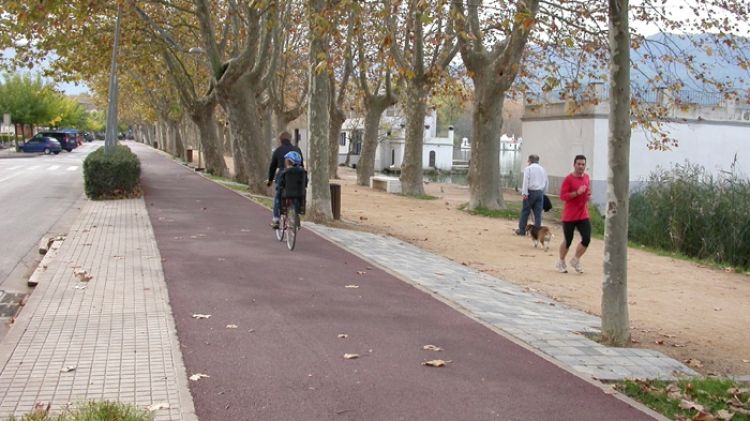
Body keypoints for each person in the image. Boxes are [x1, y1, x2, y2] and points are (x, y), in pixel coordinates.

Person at [557, 154, 591, 273]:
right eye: (579, 164)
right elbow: (563, 196)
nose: (581, 166)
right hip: (570, 215)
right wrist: (576, 193)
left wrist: (588, 196)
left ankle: (576, 259)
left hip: (583, 214)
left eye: (583, 164)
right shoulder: (568, 179)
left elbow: (587, 191)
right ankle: (561, 261)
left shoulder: (586, 177)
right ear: (574, 165)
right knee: (568, 240)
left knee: (586, 238)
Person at [268, 131, 303, 229]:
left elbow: (272, 167)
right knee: (297, 195)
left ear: (280, 140)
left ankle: (276, 219)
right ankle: (296, 215)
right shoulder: (297, 150)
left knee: (278, 196)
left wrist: (270, 180)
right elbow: (302, 165)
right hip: (296, 180)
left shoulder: (278, 151)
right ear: (290, 139)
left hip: (283, 179)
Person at [515, 154, 548, 236]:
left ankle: (522, 230)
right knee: (538, 214)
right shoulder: (543, 169)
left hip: (530, 192)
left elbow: (526, 181)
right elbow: (546, 182)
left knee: (525, 211)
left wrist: (524, 193)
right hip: (540, 193)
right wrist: (543, 192)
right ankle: (537, 232)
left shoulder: (528, 169)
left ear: (530, 160)